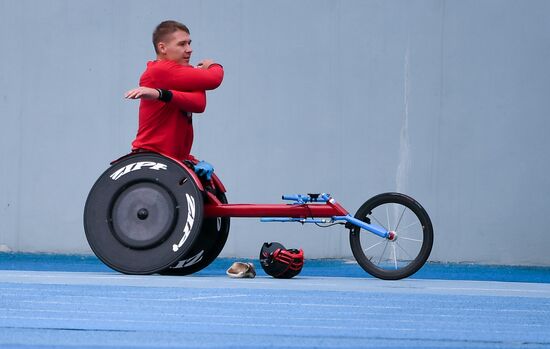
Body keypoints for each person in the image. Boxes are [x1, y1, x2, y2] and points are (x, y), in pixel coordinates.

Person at [124, 20, 223, 180]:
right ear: (162, 48)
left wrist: (161, 94)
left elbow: (198, 104)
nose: (189, 50)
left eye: (189, 43)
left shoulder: (181, 74)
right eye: (182, 44)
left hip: (175, 160)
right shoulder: (160, 70)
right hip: (154, 158)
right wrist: (213, 65)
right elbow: (214, 79)